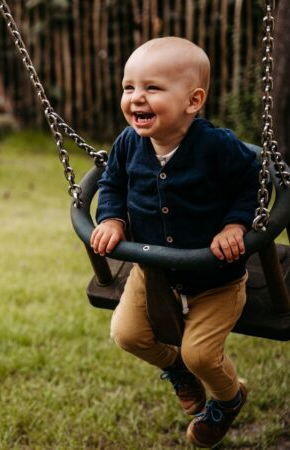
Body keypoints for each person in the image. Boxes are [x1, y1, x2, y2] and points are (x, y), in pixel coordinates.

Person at [90, 36, 260, 448]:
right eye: (129, 87)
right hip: (155, 272)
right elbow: (112, 183)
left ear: (193, 100)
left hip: (216, 278)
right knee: (127, 334)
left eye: (152, 88)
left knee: (202, 353)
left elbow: (251, 183)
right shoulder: (129, 143)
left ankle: (229, 397)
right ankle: (180, 371)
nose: (136, 98)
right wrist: (111, 218)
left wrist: (234, 226)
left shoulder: (216, 146)